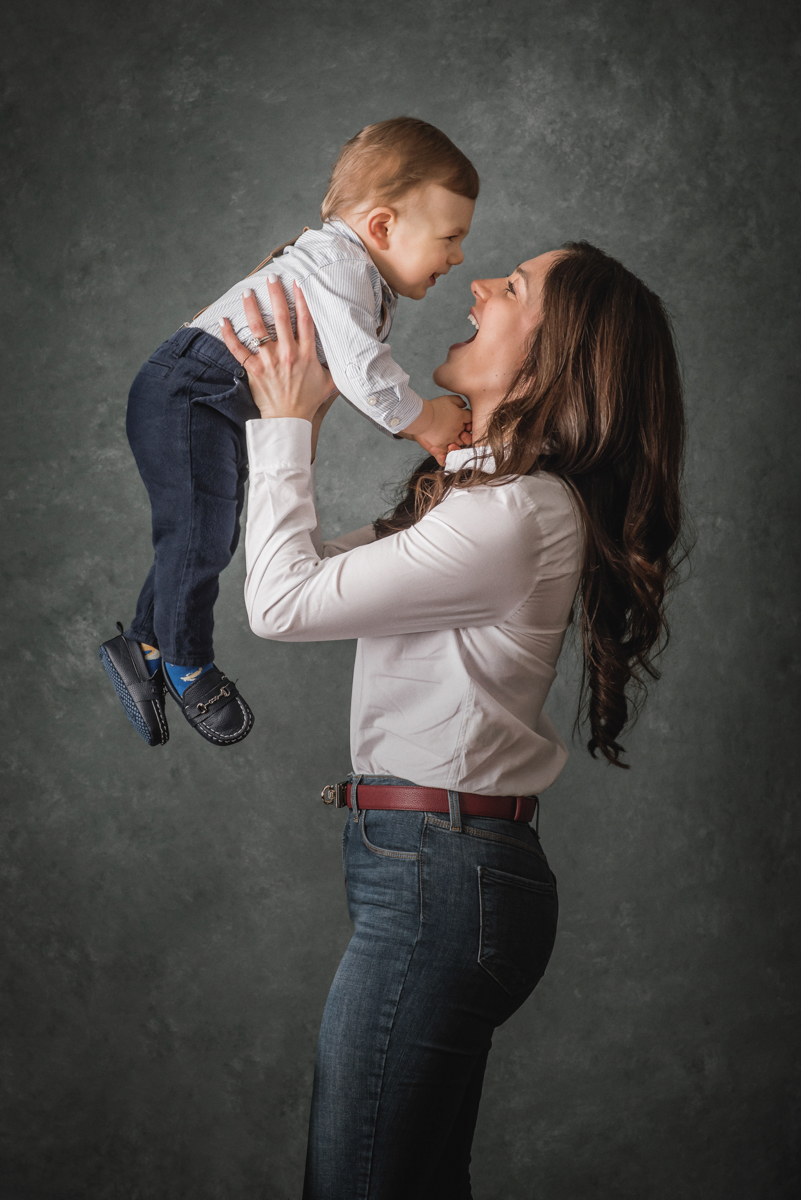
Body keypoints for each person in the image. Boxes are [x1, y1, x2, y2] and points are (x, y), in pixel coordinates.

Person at [220, 239, 685, 1199]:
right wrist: (335, 407)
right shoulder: (487, 503)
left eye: (511, 288)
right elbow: (290, 567)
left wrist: (290, 427)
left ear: (554, 356)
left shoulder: (512, 515)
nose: (476, 284)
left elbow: (283, 604)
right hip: (432, 871)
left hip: (440, 878)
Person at [99, 118, 477, 748]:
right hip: (188, 393)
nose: (459, 255)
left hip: (212, 401)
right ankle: (187, 661)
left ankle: (142, 642)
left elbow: (326, 382)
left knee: (202, 535)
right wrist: (427, 420)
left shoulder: (358, 276)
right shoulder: (339, 264)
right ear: (383, 225)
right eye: (451, 236)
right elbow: (362, 372)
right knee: (200, 536)